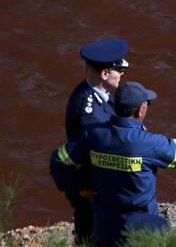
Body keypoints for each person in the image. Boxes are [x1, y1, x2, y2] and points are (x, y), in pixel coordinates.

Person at [51, 81, 176, 246]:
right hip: (140, 228)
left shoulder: (92, 135)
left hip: (104, 226)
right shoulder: (150, 143)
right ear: (141, 110)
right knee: (165, 233)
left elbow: (58, 161)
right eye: (147, 104)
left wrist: (77, 187)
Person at [63, 37, 129, 243]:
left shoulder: (97, 93)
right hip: (92, 187)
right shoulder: (90, 114)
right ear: (105, 74)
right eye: (120, 70)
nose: (122, 74)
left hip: (96, 183)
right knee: (94, 234)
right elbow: (91, 154)